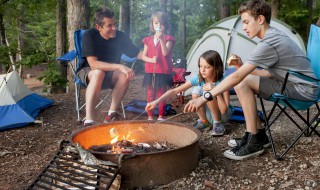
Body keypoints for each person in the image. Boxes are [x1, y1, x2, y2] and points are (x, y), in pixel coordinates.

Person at [183, 0, 319, 160]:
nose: (244, 27)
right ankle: (258, 134)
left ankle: (254, 139)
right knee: (244, 81)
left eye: (246, 22)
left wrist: (205, 97)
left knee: (242, 82)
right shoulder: (273, 36)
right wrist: (241, 66)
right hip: (295, 85)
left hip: (303, 92)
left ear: (260, 19)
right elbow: (267, 74)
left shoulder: (270, 42)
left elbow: (238, 77)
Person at [77, 7, 144, 127]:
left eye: (114, 24)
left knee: (125, 74)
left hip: (110, 74)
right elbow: (93, 64)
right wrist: (119, 66)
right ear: (99, 27)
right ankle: (89, 120)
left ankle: (111, 114)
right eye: (109, 25)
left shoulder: (120, 36)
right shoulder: (90, 35)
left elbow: (139, 54)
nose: (114, 28)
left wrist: (156, 54)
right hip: (89, 72)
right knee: (99, 73)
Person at [146, 50, 234, 136]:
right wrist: (156, 101)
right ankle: (204, 122)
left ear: (216, 67)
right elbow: (175, 91)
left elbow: (224, 110)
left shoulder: (224, 81)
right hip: (210, 113)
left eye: (207, 67)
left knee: (208, 91)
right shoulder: (199, 79)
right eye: (200, 66)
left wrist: (215, 90)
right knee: (197, 90)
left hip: (222, 116)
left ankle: (217, 124)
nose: (202, 70)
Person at [142, 11, 175, 121]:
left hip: (163, 71)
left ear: (165, 25)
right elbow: (143, 56)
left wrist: (161, 39)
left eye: (161, 24)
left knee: (161, 93)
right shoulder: (147, 40)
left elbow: (165, 53)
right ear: (152, 24)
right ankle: (150, 115)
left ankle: (161, 116)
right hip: (150, 71)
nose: (159, 26)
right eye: (156, 23)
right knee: (150, 93)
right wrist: (151, 60)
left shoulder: (168, 39)